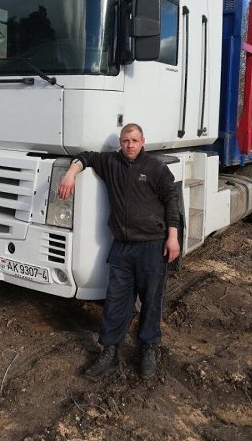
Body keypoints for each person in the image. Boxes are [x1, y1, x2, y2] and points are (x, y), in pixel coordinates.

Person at [58, 123, 180, 379]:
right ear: (120, 143)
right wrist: (70, 173)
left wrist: (173, 237)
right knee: (115, 301)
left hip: (152, 245)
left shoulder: (156, 168)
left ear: (143, 142)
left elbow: (172, 200)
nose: (130, 145)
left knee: (151, 301)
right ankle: (110, 351)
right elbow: (86, 157)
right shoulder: (110, 163)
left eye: (134, 140)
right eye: (125, 140)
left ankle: (147, 348)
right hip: (122, 246)